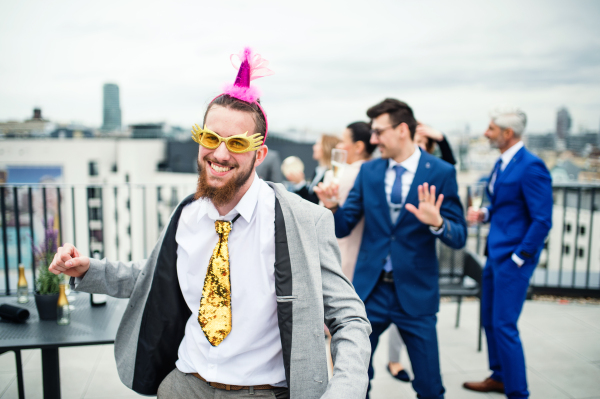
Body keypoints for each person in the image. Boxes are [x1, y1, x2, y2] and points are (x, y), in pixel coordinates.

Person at [48, 48, 371, 399]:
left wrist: (344, 392)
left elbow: (349, 318)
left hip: (261, 392)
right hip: (184, 385)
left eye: (236, 143)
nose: (219, 154)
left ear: (259, 154)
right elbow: (154, 275)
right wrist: (86, 270)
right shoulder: (187, 213)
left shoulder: (305, 220)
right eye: (211, 138)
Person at [315, 98, 467, 399]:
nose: (373, 140)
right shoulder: (369, 172)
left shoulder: (441, 172)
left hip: (416, 293)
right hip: (370, 292)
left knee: (429, 386)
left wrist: (437, 223)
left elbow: (459, 236)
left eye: (379, 131)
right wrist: (332, 207)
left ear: (401, 130)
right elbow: (344, 226)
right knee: (356, 378)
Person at [463, 107, 552, 399]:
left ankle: (518, 392)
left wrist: (519, 257)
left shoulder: (531, 166)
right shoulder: (504, 163)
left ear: (507, 133)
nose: (486, 133)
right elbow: (508, 207)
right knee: (489, 319)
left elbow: (542, 220)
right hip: (495, 255)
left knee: (504, 325)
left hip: (512, 260)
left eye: (490, 129)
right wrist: (485, 214)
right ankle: (499, 377)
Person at [387, 121, 458, 382]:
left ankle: (397, 362)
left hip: (415, 275)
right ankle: (394, 361)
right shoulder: (381, 170)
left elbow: (450, 166)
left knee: (428, 377)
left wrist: (441, 138)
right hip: (379, 277)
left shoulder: (436, 172)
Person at [327, 121, 376, 279]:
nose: (339, 146)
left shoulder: (345, 176)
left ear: (358, 147)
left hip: (345, 253)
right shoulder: (377, 174)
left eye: (343, 141)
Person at [285, 134, 340, 203]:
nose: (314, 147)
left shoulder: (330, 175)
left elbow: (314, 203)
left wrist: (300, 183)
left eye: (317, 144)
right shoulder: (318, 171)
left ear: (326, 148)